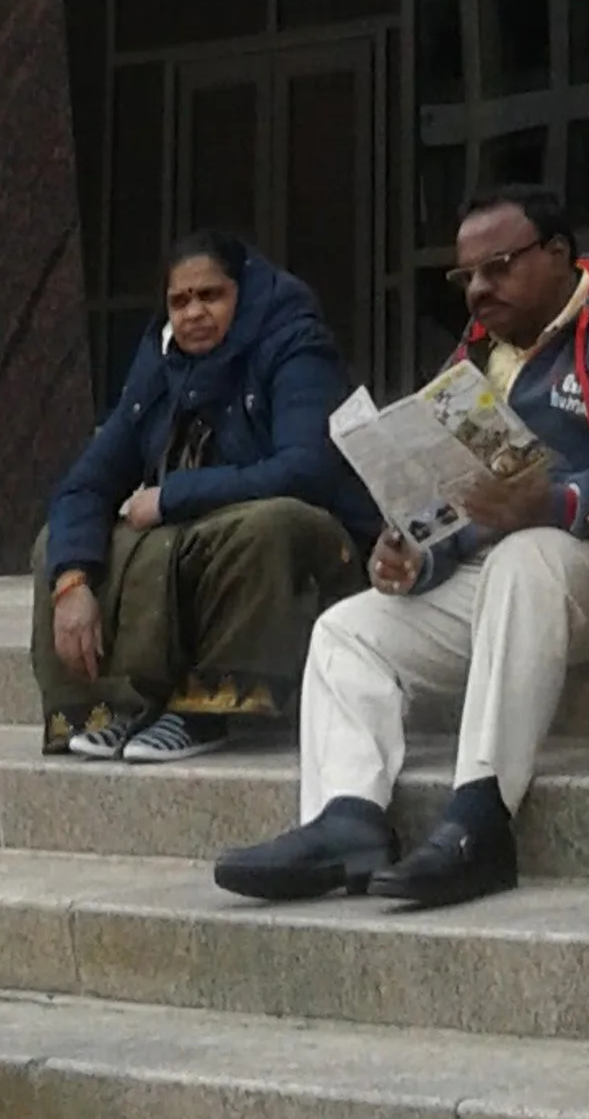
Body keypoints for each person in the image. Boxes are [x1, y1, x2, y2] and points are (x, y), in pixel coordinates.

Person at [213, 189, 589, 908]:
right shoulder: (474, 356)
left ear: (558, 254)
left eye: (498, 266)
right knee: (348, 629)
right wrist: (416, 552)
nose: (478, 288)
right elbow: (458, 500)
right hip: (515, 576)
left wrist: (554, 501)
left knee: (523, 558)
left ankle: (480, 818)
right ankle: (348, 821)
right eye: (466, 275)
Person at [34, 229, 372, 759]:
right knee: (64, 540)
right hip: (205, 532)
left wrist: (173, 496)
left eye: (210, 296)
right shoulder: (161, 362)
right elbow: (86, 484)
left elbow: (306, 470)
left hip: (322, 546)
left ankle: (206, 708)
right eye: (180, 301)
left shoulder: (295, 345)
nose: (193, 313)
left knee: (267, 523)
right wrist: (71, 582)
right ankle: (112, 706)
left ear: (244, 293)